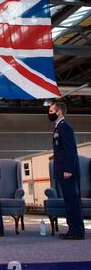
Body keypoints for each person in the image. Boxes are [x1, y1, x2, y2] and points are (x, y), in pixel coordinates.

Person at [48, 102, 85, 240]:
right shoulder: (58, 127)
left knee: (73, 203)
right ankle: (73, 230)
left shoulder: (65, 127)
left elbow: (71, 150)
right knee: (69, 202)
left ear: (59, 112)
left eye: (51, 110)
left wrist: (68, 169)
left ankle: (77, 232)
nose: (49, 113)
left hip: (68, 172)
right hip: (63, 171)